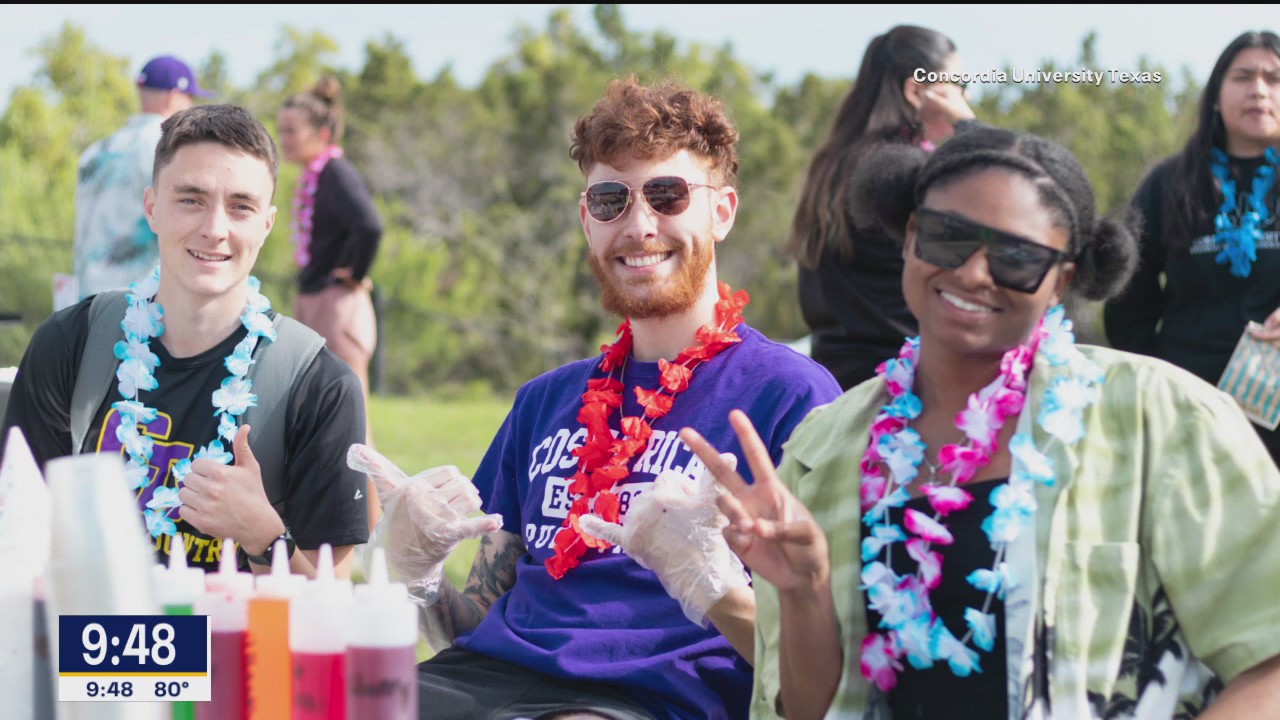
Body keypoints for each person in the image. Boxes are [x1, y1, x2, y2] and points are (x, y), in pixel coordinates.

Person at [686, 127, 1280, 719]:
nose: (974, 272)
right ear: (911, 237)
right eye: (948, 238)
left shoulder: (1163, 418)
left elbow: (1270, 664)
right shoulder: (825, 448)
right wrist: (805, 587)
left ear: (1062, 281)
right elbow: (809, 711)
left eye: (1017, 258)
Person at [364, 77, 841, 720]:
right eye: (611, 199)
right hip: (481, 683)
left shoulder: (791, 397)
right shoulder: (542, 401)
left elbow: (827, 677)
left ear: (722, 211)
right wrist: (415, 576)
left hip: (647, 702)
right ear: (587, 220)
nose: (640, 225)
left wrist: (714, 589)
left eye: (668, 195)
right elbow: (472, 624)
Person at [2, 105, 369, 578]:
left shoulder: (318, 385)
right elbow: (17, 544)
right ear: (152, 208)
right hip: (86, 647)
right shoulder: (70, 344)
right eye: (191, 199)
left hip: (236, 650)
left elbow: (330, 607)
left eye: (241, 206)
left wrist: (263, 538)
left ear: (267, 224)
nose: (215, 229)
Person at [1105, 30, 1280, 462]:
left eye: (1274, 78)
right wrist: (1155, 390)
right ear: (1216, 96)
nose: (1258, 89)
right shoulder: (1169, 183)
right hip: (1187, 418)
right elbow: (1128, 296)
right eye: (1243, 76)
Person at [788, 25, 977, 390]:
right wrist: (968, 127)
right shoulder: (907, 171)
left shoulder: (833, 164)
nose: (966, 98)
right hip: (900, 386)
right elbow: (1008, 192)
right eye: (960, 86)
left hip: (834, 380)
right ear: (917, 91)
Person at [278, 76, 384, 528]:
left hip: (337, 305)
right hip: (317, 299)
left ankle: (374, 524)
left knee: (354, 421)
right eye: (280, 130)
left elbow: (370, 225)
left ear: (321, 135)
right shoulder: (314, 176)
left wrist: (354, 273)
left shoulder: (336, 173)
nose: (283, 140)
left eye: (291, 131)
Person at [74, 54, 211, 300]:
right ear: (173, 96)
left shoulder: (97, 150)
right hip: (137, 301)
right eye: (189, 97)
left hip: (85, 295)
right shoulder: (166, 146)